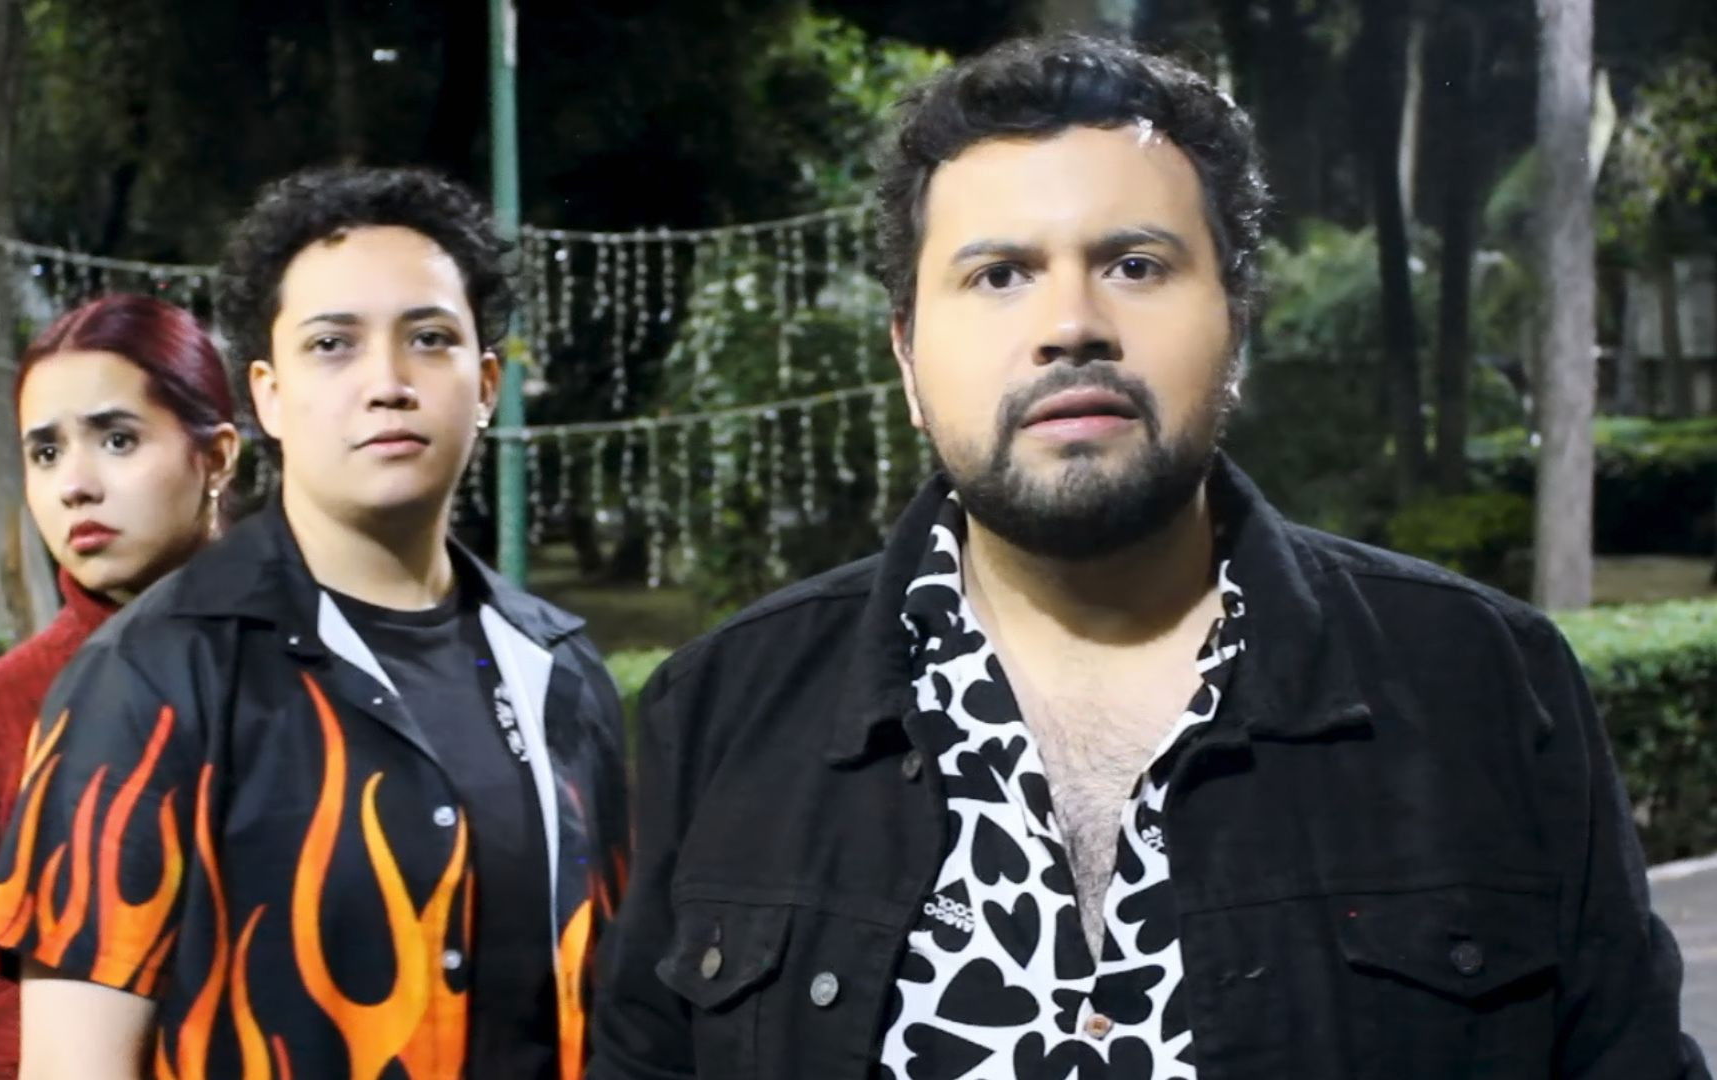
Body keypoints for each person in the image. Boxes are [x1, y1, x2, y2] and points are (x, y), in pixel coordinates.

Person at [590, 34, 1709, 1080]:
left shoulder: (1486, 683)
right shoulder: (725, 710)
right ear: (907, 359)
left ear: (1237, 327)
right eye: (999, 275)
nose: (1071, 323)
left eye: (1134, 264)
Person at [0, 165, 628, 1080]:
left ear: (484, 384)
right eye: (332, 345)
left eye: (429, 339)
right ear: (268, 395)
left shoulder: (560, 669)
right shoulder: (153, 674)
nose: (387, 382)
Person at [0, 294, 240, 1079]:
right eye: (45, 453)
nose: (75, 484)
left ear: (215, 457)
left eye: (117, 439)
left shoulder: (319, 665)